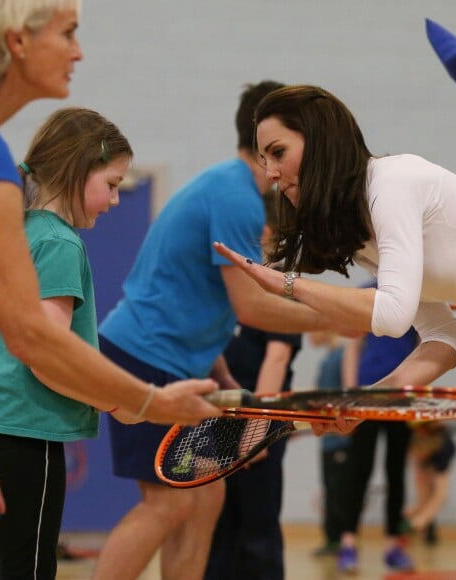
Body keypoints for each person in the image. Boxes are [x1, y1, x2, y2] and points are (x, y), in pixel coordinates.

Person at [0, 1, 218, 576]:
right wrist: (139, 402)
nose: (79, 51)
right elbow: (40, 345)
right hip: (18, 428)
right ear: (17, 41)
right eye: (69, 32)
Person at [211, 84, 456, 576]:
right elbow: (444, 341)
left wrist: (288, 285)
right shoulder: (364, 237)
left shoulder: (394, 182)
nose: (270, 172)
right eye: (262, 158)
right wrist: (366, 403)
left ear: (318, 141)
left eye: (278, 152)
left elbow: (390, 315)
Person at [92, 81, 355, 580]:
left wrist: (224, 375)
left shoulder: (226, 188)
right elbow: (250, 306)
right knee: (165, 505)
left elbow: (203, 298)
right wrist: (343, 314)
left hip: (177, 360)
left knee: (206, 495)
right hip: (145, 356)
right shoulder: (237, 198)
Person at [0, 106, 140, 578]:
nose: (116, 200)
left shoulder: (21, 232)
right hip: (22, 431)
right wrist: (117, 400)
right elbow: (50, 358)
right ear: (79, 170)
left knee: (0, 569)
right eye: (113, 184)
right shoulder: (59, 242)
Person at [204, 190, 303, 580]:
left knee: (256, 526)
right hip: (215, 416)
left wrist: (258, 428)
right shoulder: (226, 282)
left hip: (260, 422)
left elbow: (277, 357)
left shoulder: (284, 285)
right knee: (217, 527)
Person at [336, 288, 419, 573]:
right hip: (366, 399)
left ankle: (393, 545)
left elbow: (422, 346)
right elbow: (353, 345)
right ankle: (348, 544)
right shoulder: (366, 293)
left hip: (401, 401)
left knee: (396, 472)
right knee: (358, 471)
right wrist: (350, 393)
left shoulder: (415, 296)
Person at [306, 330, 349, 558]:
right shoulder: (327, 359)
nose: (309, 337)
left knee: (340, 492)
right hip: (327, 441)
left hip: (341, 439)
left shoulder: (343, 356)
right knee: (330, 490)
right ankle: (332, 540)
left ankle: (342, 541)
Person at [401, 420, 456, 546]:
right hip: (423, 438)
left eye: (421, 452)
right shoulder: (413, 440)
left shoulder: (445, 449)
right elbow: (422, 494)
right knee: (423, 497)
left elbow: (441, 495)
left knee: (436, 495)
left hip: (438, 458)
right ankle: (415, 523)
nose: (419, 455)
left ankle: (419, 523)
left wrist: (420, 520)